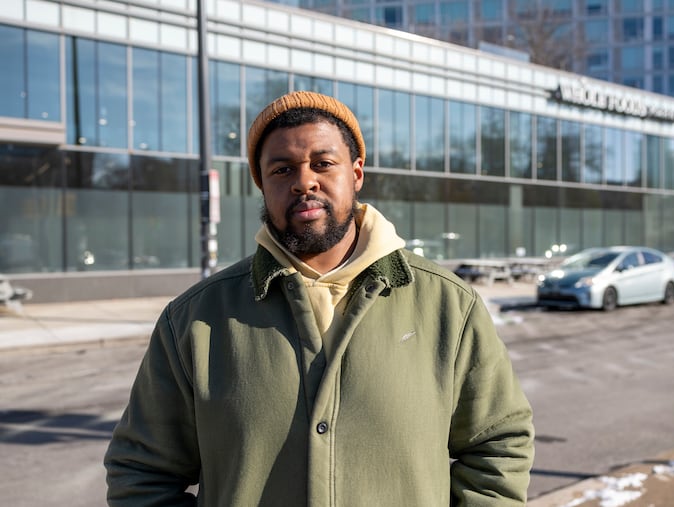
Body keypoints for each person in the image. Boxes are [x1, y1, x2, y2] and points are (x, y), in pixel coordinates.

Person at [104, 91, 534, 506]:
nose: (304, 181)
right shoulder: (195, 320)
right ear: (262, 184)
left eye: (323, 164)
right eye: (282, 170)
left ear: (356, 173)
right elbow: (142, 473)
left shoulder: (449, 306)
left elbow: (498, 446)